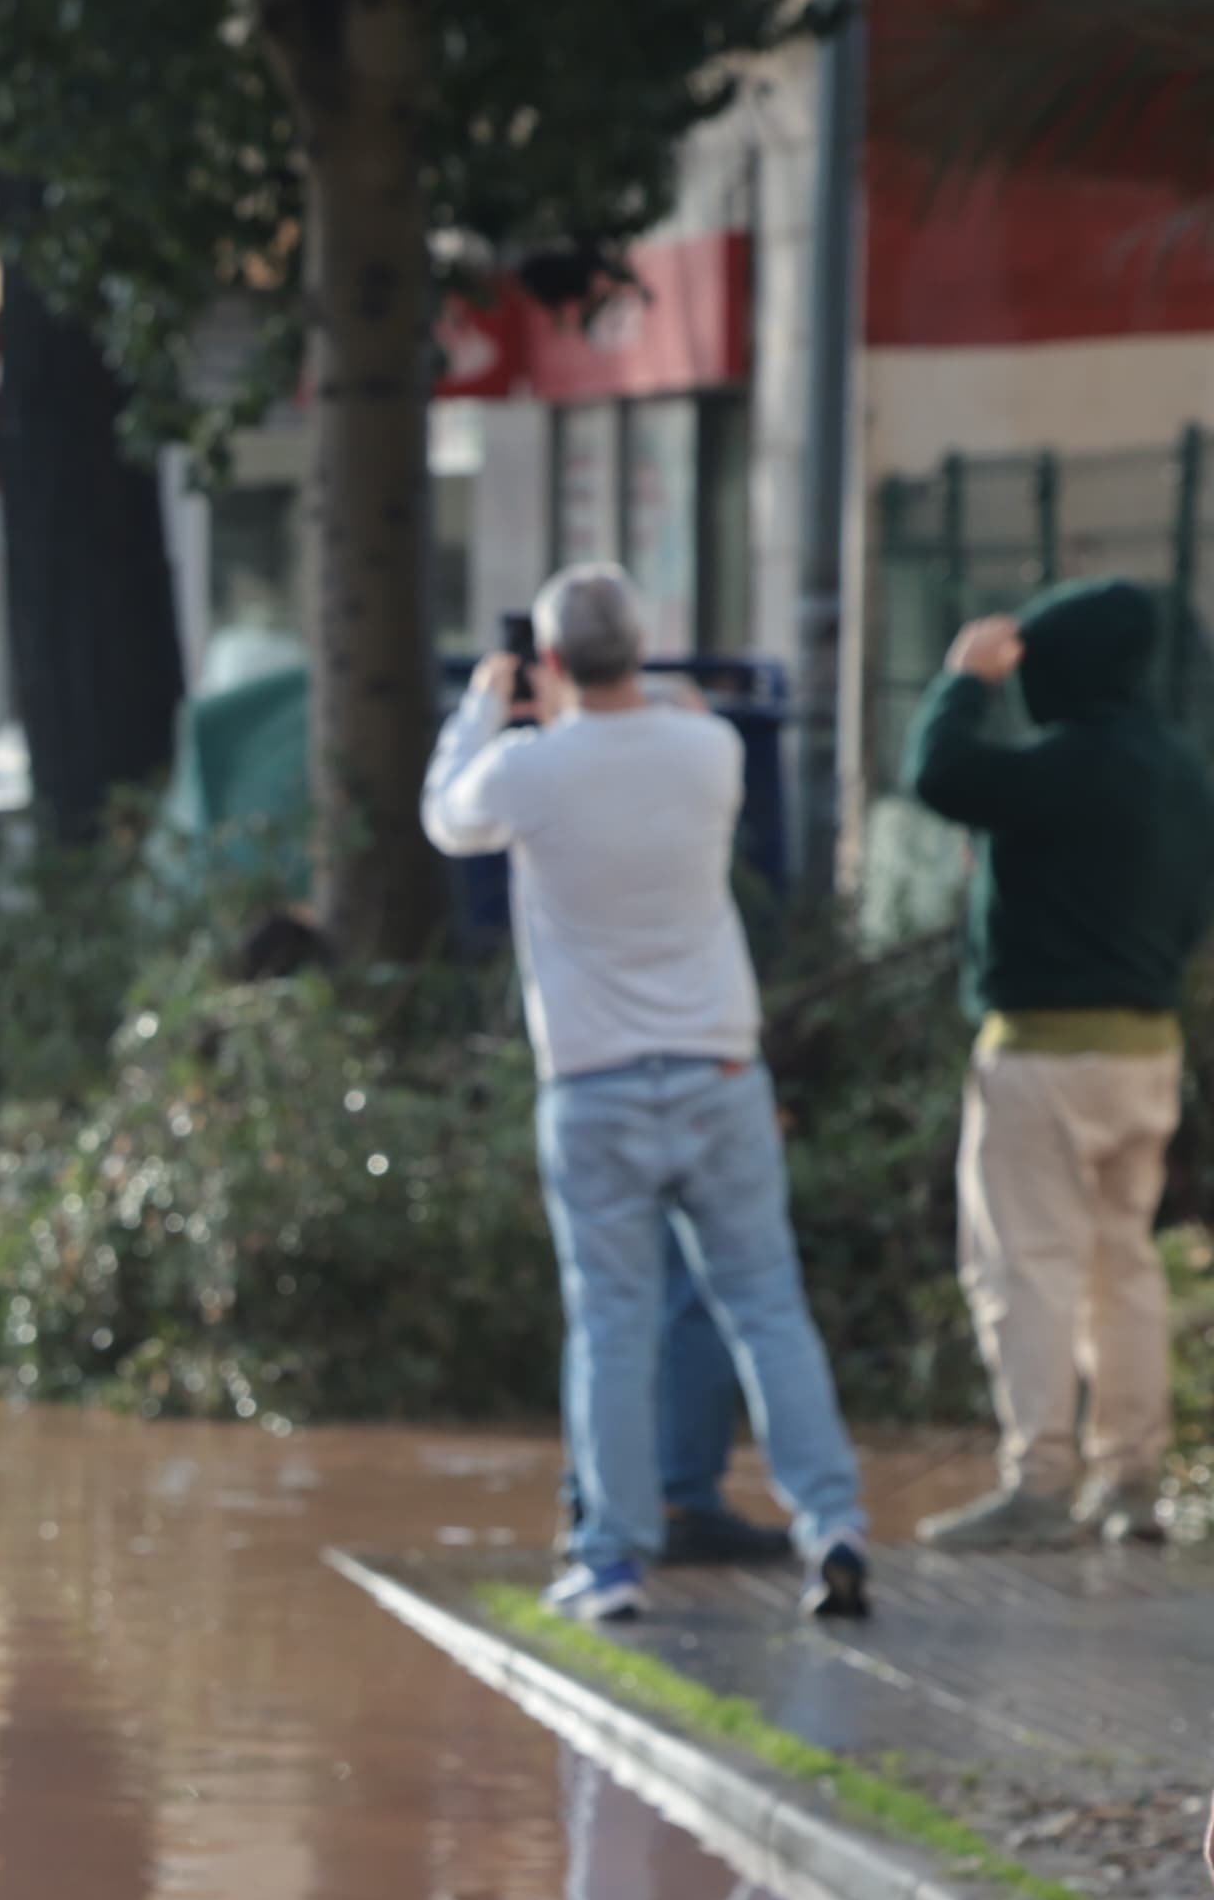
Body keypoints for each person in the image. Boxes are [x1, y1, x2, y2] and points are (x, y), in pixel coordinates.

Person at [425, 560, 872, 1624]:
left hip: (592, 1088)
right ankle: (832, 1525)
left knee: (611, 1324)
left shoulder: (528, 770)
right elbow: (689, 716)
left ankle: (613, 1561)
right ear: (642, 644)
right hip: (719, 1069)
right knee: (765, 1305)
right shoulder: (705, 750)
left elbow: (446, 817)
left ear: (546, 662)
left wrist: (482, 707)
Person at [907, 574, 1214, 1548]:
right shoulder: (1181, 772)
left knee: (1026, 1267)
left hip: (1038, 1056)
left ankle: (1035, 1481)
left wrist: (964, 680)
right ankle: (1128, 1483)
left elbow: (938, 774)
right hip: (1144, 1051)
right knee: (1121, 1266)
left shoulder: (1051, 768)